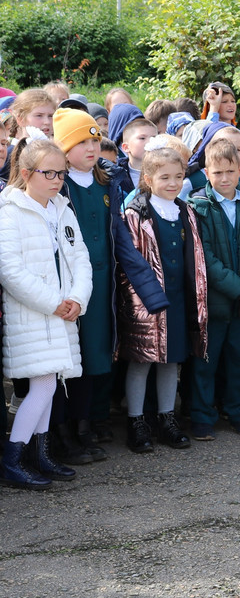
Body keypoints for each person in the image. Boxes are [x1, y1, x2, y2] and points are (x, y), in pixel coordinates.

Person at [0, 138, 92, 489]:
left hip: (62, 313)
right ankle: (13, 458)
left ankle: (38, 454)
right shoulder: (10, 211)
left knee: (49, 384)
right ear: (26, 173)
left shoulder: (62, 208)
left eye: (61, 173)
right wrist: (53, 302)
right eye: (49, 173)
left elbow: (79, 258)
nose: (57, 180)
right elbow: (10, 270)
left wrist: (77, 299)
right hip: (34, 314)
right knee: (40, 385)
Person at [116, 144, 208, 453]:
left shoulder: (185, 210)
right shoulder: (136, 212)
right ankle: (136, 421)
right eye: (165, 177)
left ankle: (167, 418)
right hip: (146, 302)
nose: (173, 183)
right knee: (142, 362)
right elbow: (129, 262)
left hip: (178, 300)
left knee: (172, 361)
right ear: (147, 177)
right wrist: (139, 301)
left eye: (179, 176)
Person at [187, 138, 240, 440]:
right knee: (206, 363)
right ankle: (202, 417)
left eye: (230, 171)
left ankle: (239, 413)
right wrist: (239, 288)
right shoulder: (199, 207)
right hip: (215, 302)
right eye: (217, 172)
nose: (224, 178)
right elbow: (204, 257)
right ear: (207, 172)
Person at [52, 108, 114, 464]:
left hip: (102, 283)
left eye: (94, 140)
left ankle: (87, 424)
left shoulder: (107, 181)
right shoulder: (61, 185)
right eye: (81, 142)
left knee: (96, 355)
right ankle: (68, 431)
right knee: (73, 360)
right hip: (72, 286)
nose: (91, 147)